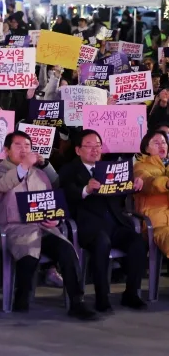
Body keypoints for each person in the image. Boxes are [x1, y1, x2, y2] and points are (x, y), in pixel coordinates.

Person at [0, 131, 96, 320]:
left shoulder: (39, 174)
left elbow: (53, 199)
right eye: (18, 145)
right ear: (6, 150)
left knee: (67, 250)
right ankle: (22, 299)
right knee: (28, 255)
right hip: (13, 229)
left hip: (43, 227)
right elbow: (2, 185)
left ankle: (77, 302)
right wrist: (24, 166)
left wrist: (57, 219)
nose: (24, 149)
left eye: (27, 146)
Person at [59, 130, 148, 312]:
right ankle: (102, 297)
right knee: (102, 243)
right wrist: (85, 190)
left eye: (98, 145)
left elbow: (123, 189)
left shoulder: (110, 168)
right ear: (78, 150)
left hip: (115, 223)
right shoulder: (69, 170)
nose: (95, 150)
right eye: (89, 146)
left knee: (138, 242)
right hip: (88, 227)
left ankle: (131, 293)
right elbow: (67, 195)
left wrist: (135, 184)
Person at [134, 130, 169, 257]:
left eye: (164, 142)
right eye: (156, 143)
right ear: (146, 148)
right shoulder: (139, 167)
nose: (162, 146)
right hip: (156, 224)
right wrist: (165, 183)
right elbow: (148, 183)